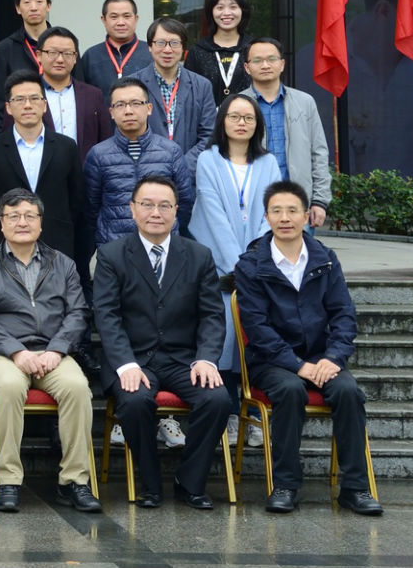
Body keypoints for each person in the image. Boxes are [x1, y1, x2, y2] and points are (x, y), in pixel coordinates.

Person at [235, 180, 382, 516]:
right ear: (266, 217)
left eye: (292, 211)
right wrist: (297, 365)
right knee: (290, 390)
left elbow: (343, 315)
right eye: (276, 211)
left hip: (322, 358)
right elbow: (257, 329)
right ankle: (285, 485)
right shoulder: (251, 265)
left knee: (348, 392)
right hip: (271, 362)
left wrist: (334, 357)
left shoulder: (325, 259)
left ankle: (355, 488)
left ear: (306, 216)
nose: (284, 218)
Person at [91, 176, 231, 510]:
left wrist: (206, 359)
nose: (156, 213)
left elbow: (213, 315)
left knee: (217, 399)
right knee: (135, 401)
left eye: (164, 206)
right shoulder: (111, 255)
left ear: (176, 210)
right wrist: (125, 364)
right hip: (133, 359)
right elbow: (107, 316)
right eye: (148, 205)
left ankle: (190, 482)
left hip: (184, 359)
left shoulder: (198, 255)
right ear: (132, 209)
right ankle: (151, 484)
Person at [0, 189, 101, 514]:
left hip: (53, 352)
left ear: (41, 222)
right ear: (1, 223)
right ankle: (8, 480)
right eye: (13, 216)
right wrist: (16, 352)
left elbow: (78, 313)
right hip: (3, 353)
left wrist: (57, 350)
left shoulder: (63, 264)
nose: (22, 222)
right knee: (9, 386)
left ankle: (74, 481)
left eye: (30, 216)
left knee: (77, 388)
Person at [188, 93, 282, 443]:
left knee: (257, 336)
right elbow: (212, 213)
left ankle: (254, 415)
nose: (241, 123)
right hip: (218, 267)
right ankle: (228, 413)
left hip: (258, 270)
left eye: (249, 118)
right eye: (234, 117)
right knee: (224, 337)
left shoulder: (268, 162)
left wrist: (253, 262)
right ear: (222, 121)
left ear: (257, 125)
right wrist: (237, 265)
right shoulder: (208, 160)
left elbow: (270, 212)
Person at [0, 72, 85, 272]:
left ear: (45, 105)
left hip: (57, 246)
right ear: (8, 107)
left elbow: (77, 200)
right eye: (19, 99)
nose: (27, 105)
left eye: (34, 98)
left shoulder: (66, 147)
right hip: (5, 249)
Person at [83, 77, 195, 251]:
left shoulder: (171, 151)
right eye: (120, 105)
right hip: (115, 249)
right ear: (111, 112)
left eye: (136, 103)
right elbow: (91, 208)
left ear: (149, 108)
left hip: (162, 246)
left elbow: (185, 203)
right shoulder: (98, 155)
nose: (128, 111)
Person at [240, 39, 332, 229]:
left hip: (298, 201)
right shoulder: (237, 104)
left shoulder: (305, 102)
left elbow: (319, 153)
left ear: (282, 64)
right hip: (252, 204)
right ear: (247, 68)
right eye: (257, 60)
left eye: (271, 59)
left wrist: (319, 201)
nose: (265, 65)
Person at [140, 18, 216, 162]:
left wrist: (183, 166)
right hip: (147, 169)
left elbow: (209, 135)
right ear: (150, 46)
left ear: (183, 48)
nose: (167, 49)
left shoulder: (202, 86)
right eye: (161, 43)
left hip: (190, 170)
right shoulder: (134, 85)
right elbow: (128, 132)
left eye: (174, 43)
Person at [37, 26, 112, 163]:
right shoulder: (26, 95)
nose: (60, 59)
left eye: (67, 53)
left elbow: (106, 140)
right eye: (52, 52)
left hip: (85, 172)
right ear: (39, 55)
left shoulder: (93, 95)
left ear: (75, 57)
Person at [0, 0, 53, 132]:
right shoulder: (5, 48)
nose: (33, 7)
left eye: (39, 1)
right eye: (27, 2)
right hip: (20, 130)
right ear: (18, 8)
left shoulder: (64, 44)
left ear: (48, 6)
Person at [185, 0, 253, 104]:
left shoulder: (253, 48)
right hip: (207, 115)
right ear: (211, 11)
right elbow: (188, 94)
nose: (226, 13)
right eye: (220, 7)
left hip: (248, 115)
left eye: (233, 7)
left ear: (242, 10)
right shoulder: (197, 51)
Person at [75, 0, 149, 93]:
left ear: (136, 19)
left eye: (127, 16)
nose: (121, 22)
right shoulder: (91, 56)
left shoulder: (151, 53)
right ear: (104, 20)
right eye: (114, 17)